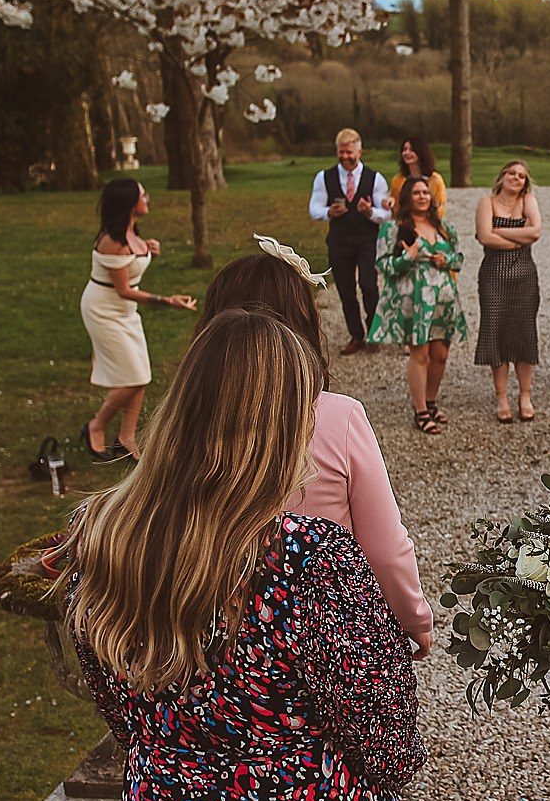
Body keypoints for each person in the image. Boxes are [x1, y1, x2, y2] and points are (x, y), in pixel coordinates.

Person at [58, 309, 467, 801]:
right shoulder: (308, 558)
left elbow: (118, 700)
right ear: (284, 423)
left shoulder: (106, 541)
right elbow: (380, 725)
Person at [197, 247, 437, 654]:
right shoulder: (337, 418)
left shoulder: (188, 420)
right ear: (301, 325)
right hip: (318, 638)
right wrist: (416, 619)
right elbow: (384, 547)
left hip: (214, 634)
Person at [80, 178, 195, 463]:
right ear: (130, 203)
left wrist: (148, 250)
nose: (148, 198)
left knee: (139, 375)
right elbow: (123, 289)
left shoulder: (131, 234)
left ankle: (125, 438)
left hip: (125, 312)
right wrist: (167, 300)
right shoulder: (112, 242)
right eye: (143, 194)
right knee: (135, 378)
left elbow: (133, 263)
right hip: (104, 309)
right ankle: (96, 425)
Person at [371, 174, 467, 435]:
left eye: (426, 192)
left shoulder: (445, 227)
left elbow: (459, 259)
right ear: (406, 198)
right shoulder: (392, 228)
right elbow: (382, 265)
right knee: (420, 354)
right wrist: (406, 258)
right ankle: (420, 409)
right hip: (414, 300)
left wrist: (445, 260)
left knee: (441, 355)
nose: (423, 197)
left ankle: (432, 400)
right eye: (416, 193)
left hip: (444, 300)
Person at [306, 128, 390, 354]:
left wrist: (369, 212)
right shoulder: (325, 177)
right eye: (341, 152)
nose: (345, 157)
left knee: (369, 285)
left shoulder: (376, 178)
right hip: (339, 241)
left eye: (349, 152)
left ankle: (375, 332)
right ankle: (356, 335)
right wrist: (329, 212)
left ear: (360, 151)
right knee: (346, 290)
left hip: (367, 241)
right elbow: (314, 208)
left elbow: (386, 213)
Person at [473, 159, 543, 423]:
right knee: (496, 332)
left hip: (525, 277)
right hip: (493, 277)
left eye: (522, 176)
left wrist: (500, 231)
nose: (516, 178)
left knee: (525, 333)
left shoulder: (529, 202)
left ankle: (525, 394)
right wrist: (517, 237)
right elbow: (484, 236)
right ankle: (501, 396)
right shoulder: (486, 202)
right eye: (511, 174)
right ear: (502, 177)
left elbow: (536, 232)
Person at [394, 135, 447, 213]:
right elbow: (396, 206)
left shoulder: (435, 179)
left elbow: (440, 205)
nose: (406, 153)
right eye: (404, 149)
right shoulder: (398, 180)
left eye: (412, 150)